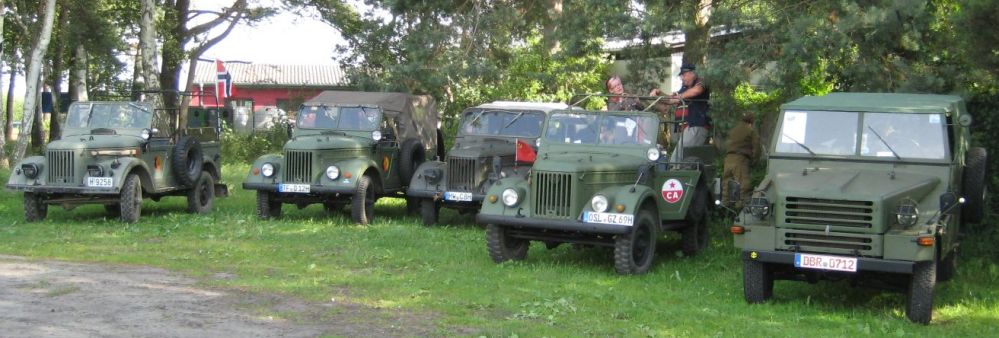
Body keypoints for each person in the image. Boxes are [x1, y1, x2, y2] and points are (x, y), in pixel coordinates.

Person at [649, 63, 711, 161]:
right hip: (689, 128)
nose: (682, 78)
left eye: (684, 74)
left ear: (693, 73)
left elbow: (696, 91)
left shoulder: (701, 81)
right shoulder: (686, 88)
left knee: (677, 160)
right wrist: (658, 94)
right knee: (683, 160)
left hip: (697, 126)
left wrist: (680, 96)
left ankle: (673, 174)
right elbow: (672, 100)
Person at [722, 112, 761, 208]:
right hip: (740, 159)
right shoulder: (750, 130)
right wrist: (755, 160)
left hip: (728, 159)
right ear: (752, 120)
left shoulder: (733, 130)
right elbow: (757, 147)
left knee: (727, 184)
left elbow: (725, 144)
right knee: (743, 185)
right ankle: (741, 210)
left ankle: (724, 206)